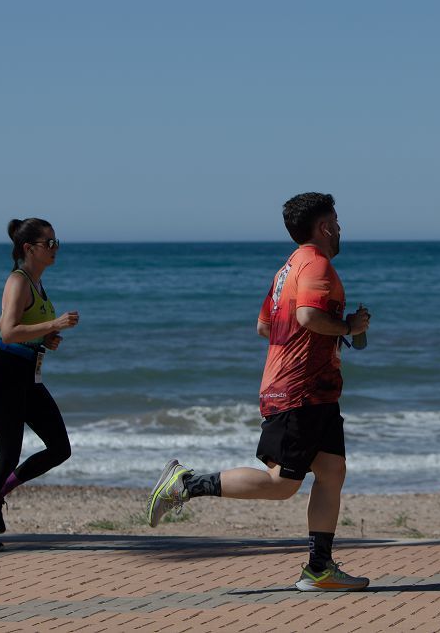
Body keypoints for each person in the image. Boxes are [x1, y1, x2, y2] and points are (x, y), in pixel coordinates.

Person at [146, 192, 372, 591]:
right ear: (324, 227)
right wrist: (348, 328)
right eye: (336, 221)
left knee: (332, 471)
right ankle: (184, 484)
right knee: (282, 484)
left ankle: (319, 568)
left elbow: (265, 327)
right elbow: (307, 316)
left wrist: (322, 339)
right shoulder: (316, 263)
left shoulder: (287, 269)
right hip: (300, 390)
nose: (340, 229)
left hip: (311, 389)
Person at [0, 218, 79, 552]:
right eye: (48, 243)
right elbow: (6, 331)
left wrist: (46, 338)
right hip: (6, 374)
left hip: (27, 374)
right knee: (7, 456)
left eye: (56, 242)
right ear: (29, 248)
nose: (55, 249)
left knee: (59, 448)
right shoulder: (18, 281)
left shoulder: (37, 283)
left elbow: (9, 321)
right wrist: (54, 322)